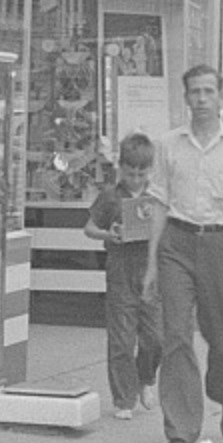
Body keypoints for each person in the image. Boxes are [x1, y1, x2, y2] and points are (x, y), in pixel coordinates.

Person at [144, 66, 223, 443]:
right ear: (185, 97)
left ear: (220, 96)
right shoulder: (168, 145)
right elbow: (158, 204)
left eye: (208, 91)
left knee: (222, 339)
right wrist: (152, 263)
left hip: (221, 245)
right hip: (177, 243)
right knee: (176, 335)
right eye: (194, 92)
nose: (201, 99)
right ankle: (181, 429)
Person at [84, 133, 162, 420]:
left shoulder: (157, 196)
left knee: (155, 337)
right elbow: (89, 228)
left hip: (151, 270)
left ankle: (146, 376)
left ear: (150, 169)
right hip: (121, 269)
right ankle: (123, 398)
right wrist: (109, 234)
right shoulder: (110, 196)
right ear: (121, 168)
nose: (136, 180)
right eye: (130, 174)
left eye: (142, 174)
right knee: (121, 339)